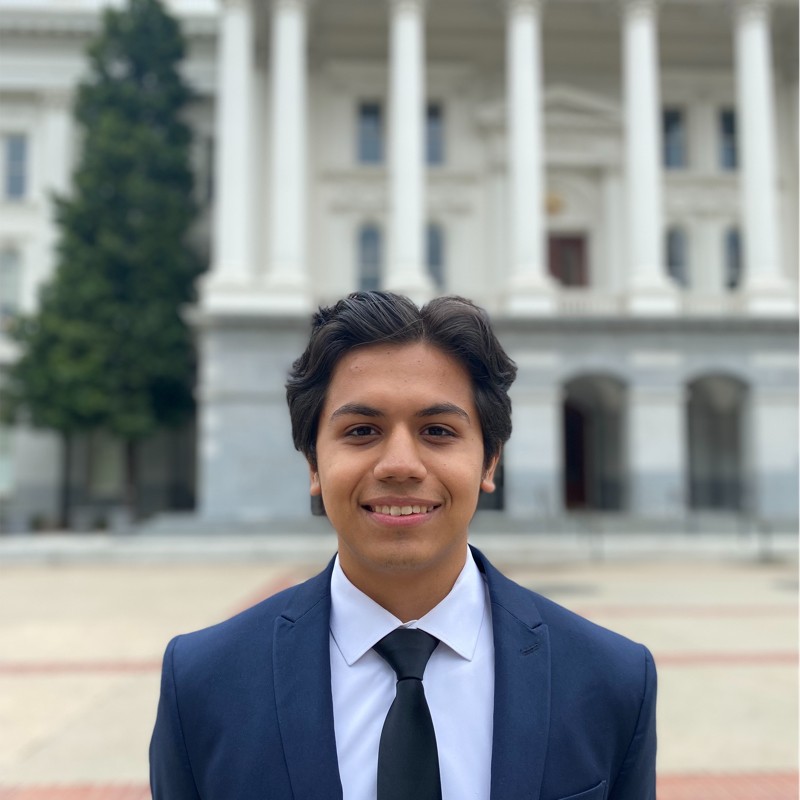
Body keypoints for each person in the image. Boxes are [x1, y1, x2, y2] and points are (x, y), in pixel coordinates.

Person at [150, 291, 657, 800]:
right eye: (361, 430)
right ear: (313, 465)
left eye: (437, 430)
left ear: (489, 461)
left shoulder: (611, 679)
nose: (400, 465)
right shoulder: (202, 683)